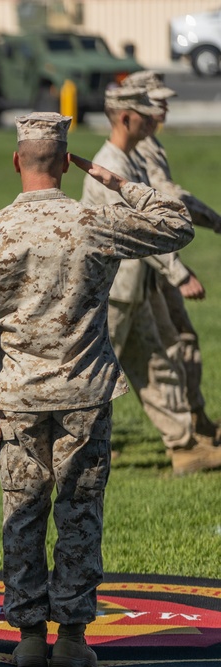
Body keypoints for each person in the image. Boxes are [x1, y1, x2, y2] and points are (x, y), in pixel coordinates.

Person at [0, 112, 193, 667]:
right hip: (86, 393)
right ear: (65, 162)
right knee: (80, 513)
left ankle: (30, 640)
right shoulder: (95, 221)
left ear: (17, 161)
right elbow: (176, 224)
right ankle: (73, 640)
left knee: (24, 514)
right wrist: (117, 182)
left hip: (17, 400)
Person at [81, 86, 221, 475]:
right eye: (145, 113)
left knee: (156, 364)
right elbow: (140, 232)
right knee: (91, 372)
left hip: (134, 288)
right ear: (125, 118)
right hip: (112, 292)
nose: (155, 117)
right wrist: (179, 273)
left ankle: (184, 446)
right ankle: (71, 446)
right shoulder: (109, 164)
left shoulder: (130, 159)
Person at [125, 70, 221, 446]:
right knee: (155, 348)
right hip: (142, 267)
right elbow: (164, 201)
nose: (164, 106)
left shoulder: (150, 144)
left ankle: (193, 424)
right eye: (157, 100)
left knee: (175, 342)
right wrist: (178, 270)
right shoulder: (140, 148)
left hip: (152, 265)